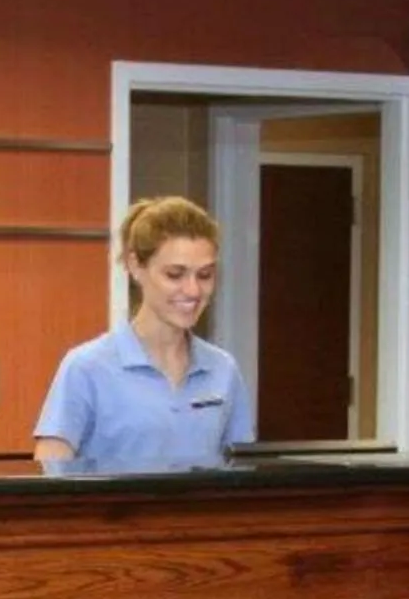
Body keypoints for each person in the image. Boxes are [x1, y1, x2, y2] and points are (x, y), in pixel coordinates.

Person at [33, 196, 254, 467]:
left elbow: (243, 474)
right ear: (136, 266)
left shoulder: (224, 369)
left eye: (205, 275)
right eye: (175, 274)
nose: (193, 290)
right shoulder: (86, 368)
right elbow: (50, 483)